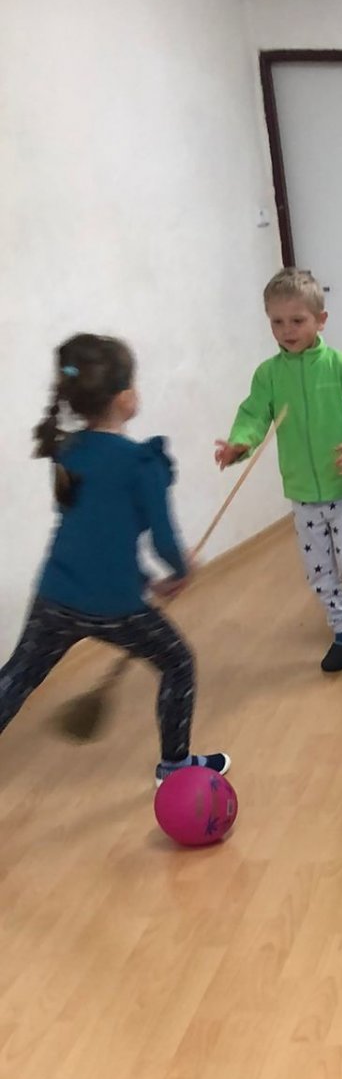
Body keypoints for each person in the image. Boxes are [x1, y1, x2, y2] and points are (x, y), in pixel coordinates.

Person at [0, 333, 228, 780]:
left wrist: (147, 580)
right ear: (125, 398)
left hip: (56, 594)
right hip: (114, 605)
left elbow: (92, 533)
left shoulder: (66, 452)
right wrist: (180, 568)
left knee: (18, 676)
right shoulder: (142, 463)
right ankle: (174, 765)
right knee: (178, 663)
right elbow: (163, 540)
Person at [216, 267, 342, 669]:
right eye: (277, 322)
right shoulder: (269, 375)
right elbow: (253, 417)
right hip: (303, 494)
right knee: (319, 571)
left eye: (297, 320)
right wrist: (239, 445)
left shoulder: (341, 366)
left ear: (320, 320)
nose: (287, 330)